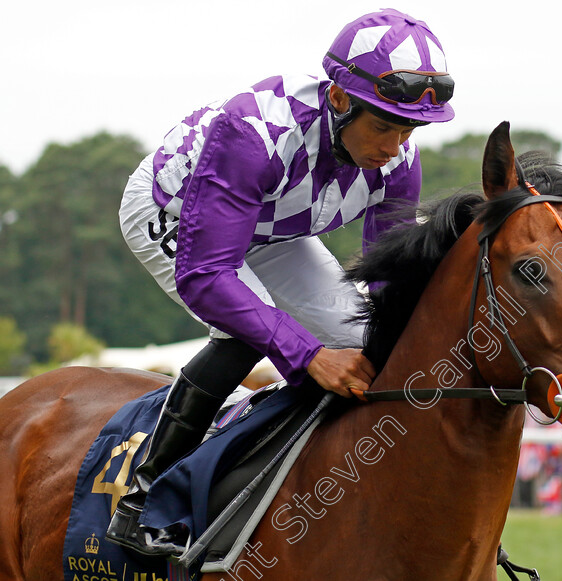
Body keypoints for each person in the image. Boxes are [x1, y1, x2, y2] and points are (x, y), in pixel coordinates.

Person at [107, 8, 455, 556]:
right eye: (384, 125)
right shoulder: (252, 132)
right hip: (173, 212)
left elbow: (387, 276)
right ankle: (143, 497)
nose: (396, 146)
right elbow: (207, 277)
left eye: (409, 127)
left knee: (361, 338)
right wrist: (309, 356)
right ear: (339, 99)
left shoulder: (398, 159)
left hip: (273, 232)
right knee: (247, 325)